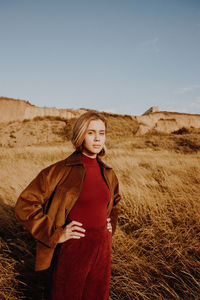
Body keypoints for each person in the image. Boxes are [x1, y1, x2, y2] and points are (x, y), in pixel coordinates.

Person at [15, 111, 121, 300]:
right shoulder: (59, 170)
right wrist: (56, 234)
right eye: (91, 133)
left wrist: (110, 225)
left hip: (103, 248)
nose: (97, 139)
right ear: (81, 135)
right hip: (73, 248)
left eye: (102, 133)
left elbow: (116, 202)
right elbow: (25, 204)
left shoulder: (109, 173)